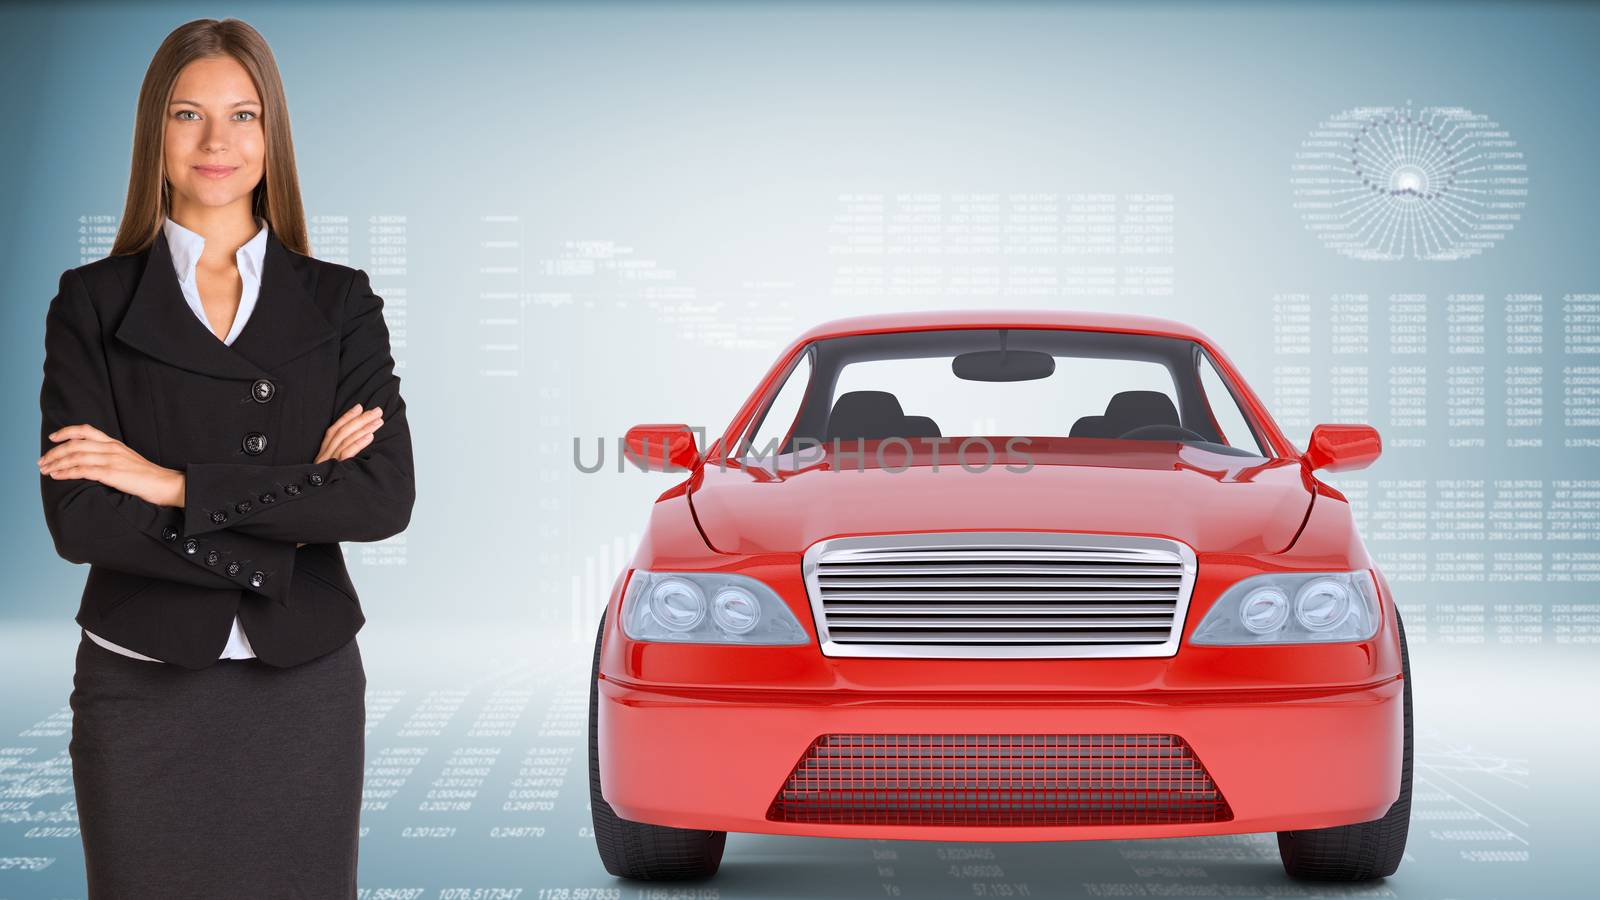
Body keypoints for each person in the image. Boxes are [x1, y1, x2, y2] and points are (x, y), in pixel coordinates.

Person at [36, 18, 415, 898]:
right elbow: (82, 517)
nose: (217, 142)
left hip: (305, 679)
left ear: (271, 135)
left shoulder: (341, 302)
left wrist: (167, 482)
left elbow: (380, 497)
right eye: (188, 115)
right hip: (142, 679)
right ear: (153, 134)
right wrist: (299, 494)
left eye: (243, 116)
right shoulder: (89, 303)